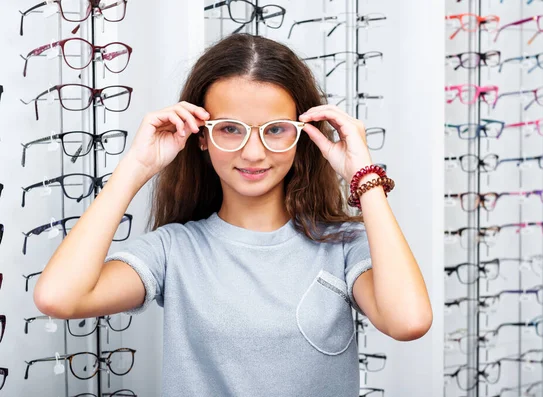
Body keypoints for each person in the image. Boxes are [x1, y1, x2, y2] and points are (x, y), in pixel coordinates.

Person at [33, 33, 432, 396]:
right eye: (230, 129)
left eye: (275, 129)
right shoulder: (175, 250)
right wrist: (136, 167)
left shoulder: (343, 247)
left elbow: (408, 321)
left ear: (301, 135)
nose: (253, 152)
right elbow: (59, 298)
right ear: (201, 137)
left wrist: (364, 176)